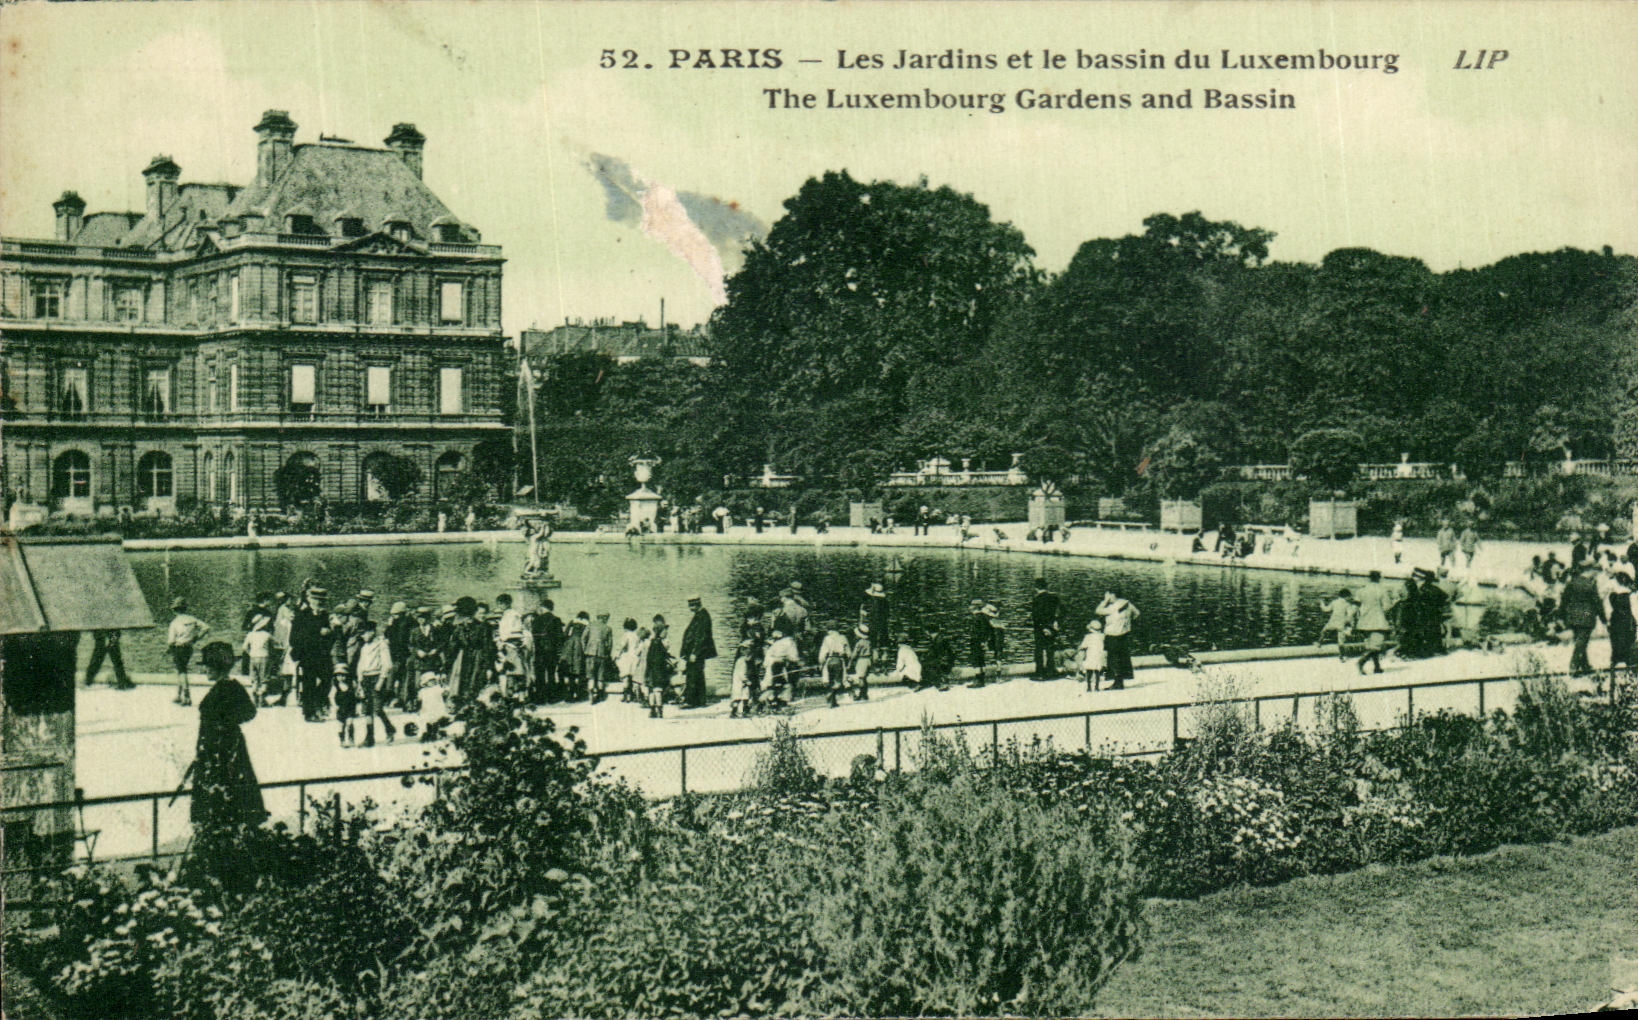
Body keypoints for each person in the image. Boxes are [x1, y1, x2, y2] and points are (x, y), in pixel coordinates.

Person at [189, 641, 266, 830]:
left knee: (223, 786)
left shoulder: (228, 688)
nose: (205, 670)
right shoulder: (230, 687)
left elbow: (248, 712)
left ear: (217, 667)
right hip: (219, 746)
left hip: (222, 748)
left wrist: (224, 724)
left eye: (207, 666)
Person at [289, 585, 333, 721]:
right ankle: (309, 713)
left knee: (328, 679)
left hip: (323, 655)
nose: (319, 602)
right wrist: (317, 633)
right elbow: (294, 638)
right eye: (315, 599)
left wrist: (329, 633)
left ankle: (318, 702)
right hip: (307, 655)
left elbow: (330, 636)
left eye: (321, 600)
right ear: (309, 599)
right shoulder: (302, 615)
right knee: (309, 683)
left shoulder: (325, 615)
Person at [355, 619, 396, 747]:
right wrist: (360, 681)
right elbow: (360, 665)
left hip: (377, 677)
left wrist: (381, 681)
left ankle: (389, 728)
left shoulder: (381, 645)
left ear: (372, 632)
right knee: (367, 710)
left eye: (364, 633)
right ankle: (369, 737)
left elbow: (387, 664)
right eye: (361, 634)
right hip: (366, 679)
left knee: (377, 708)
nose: (363, 636)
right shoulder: (364, 647)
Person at [1560, 563, 1607, 675]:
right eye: (1595, 573)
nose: (1596, 575)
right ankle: (1574, 664)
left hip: (1572, 616)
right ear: (1591, 571)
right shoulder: (1591, 584)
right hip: (1587, 616)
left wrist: (1562, 616)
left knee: (1580, 640)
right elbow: (1597, 602)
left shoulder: (1572, 582)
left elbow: (1564, 600)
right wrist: (1604, 618)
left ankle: (1585, 666)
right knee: (1582, 641)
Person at [166, 597, 211, 707]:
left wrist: (168, 648)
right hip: (189, 648)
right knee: (182, 669)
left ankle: (186, 696)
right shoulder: (192, 619)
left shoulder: (175, 622)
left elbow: (171, 640)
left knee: (181, 671)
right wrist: (196, 638)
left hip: (178, 647)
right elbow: (206, 627)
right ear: (185, 608)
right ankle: (178, 694)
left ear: (175, 610)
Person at [1353, 570, 1397, 675]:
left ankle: (1377, 667)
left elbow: (1356, 605)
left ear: (1369, 578)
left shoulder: (1361, 590)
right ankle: (1361, 662)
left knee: (1370, 645)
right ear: (1379, 578)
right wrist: (1394, 602)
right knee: (1376, 646)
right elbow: (1386, 607)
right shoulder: (1382, 590)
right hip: (1377, 620)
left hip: (1363, 621)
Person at [680, 595, 717, 708]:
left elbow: (701, 637)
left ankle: (691, 701)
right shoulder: (701, 615)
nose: (690, 608)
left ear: (695, 604)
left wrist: (695, 653)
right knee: (697, 674)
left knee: (693, 675)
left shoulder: (702, 616)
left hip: (697, 652)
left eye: (691, 605)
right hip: (695, 651)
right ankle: (699, 700)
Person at [1095, 592, 1137, 690]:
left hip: (1112, 635)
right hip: (1124, 635)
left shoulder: (1114, 607)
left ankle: (1117, 683)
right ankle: (1119, 682)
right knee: (1122, 658)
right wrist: (1127, 624)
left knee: (1113, 659)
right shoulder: (1127, 604)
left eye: (1108, 595)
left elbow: (1098, 611)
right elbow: (1137, 614)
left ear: (1113, 595)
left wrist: (1104, 601)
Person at [531, 598, 564, 702]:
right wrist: (559, 652)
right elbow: (560, 638)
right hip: (551, 651)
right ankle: (551, 697)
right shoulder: (556, 620)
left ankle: (540, 698)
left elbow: (533, 636)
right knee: (551, 674)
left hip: (539, 650)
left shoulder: (536, 619)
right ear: (552, 608)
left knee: (539, 674)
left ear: (542, 607)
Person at [1030, 581, 1062, 679]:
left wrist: (1043, 627)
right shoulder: (1054, 598)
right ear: (1046, 587)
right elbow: (1062, 611)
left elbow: (1037, 616)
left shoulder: (1037, 599)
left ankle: (1040, 673)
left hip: (1040, 628)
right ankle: (1051, 671)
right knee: (1050, 650)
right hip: (1052, 627)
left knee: (1039, 650)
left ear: (1036, 588)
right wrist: (1057, 623)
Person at [1607, 567, 1635, 674]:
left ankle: (1616, 665)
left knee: (1616, 643)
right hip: (1626, 621)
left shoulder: (1612, 595)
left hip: (1616, 620)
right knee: (1627, 643)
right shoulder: (1628, 595)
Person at [242, 613, 275, 704]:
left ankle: (254, 698)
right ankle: (262, 699)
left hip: (253, 657)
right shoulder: (267, 635)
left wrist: (250, 653)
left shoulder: (250, 634)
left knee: (254, 678)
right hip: (264, 657)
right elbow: (275, 645)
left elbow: (244, 647)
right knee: (264, 679)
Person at [645, 616, 674, 718]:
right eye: (665, 631)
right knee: (658, 690)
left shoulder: (652, 642)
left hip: (651, 669)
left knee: (651, 690)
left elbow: (648, 658)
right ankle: (659, 710)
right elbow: (665, 655)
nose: (666, 632)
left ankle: (652, 710)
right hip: (659, 670)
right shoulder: (661, 643)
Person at [764, 627, 801, 704]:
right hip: (780, 664)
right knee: (785, 682)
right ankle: (782, 698)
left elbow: (768, 656)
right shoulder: (789, 642)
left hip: (772, 664)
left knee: (773, 682)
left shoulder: (775, 644)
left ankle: (773, 698)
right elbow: (793, 657)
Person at [1317, 589, 1356, 661]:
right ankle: (1342, 656)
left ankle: (1319, 643)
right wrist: (1351, 624)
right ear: (1346, 597)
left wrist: (1322, 604)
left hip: (1332, 622)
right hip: (1341, 624)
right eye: (1349, 596)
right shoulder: (1347, 604)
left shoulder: (1334, 602)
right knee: (1341, 641)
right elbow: (1350, 615)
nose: (1350, 598)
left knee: (1324, 631)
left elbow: (1326, 609)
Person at [584, 611, 614, 703]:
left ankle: (591, 694)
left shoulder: (590, 625)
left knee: (590, 675)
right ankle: (599, 695)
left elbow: (583, 637)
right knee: (600, 676)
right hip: (602, 654)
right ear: (604, 618)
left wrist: (585, 649)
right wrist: (607, 653)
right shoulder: (608, 628)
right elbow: (610, 644)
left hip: (590, 653)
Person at [616, 618, 643, 702]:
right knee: (632, 677)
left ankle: (625, 695)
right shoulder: (636, 636)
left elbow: (622, 646)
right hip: (634, 657)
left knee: (625, 676)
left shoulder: (626, 635)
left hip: (626, 657)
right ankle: (632, 695)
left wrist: (617, 655)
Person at [863, 582, 891, 665]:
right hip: (884, 625)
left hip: (873, 625)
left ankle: (875, 666)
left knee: (874, 646)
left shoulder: (874, 603)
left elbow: (871, 614)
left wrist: (865, 613)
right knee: (884, 645)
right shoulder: (885, 602)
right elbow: (887, 614)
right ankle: (884, 665)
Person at [1077, 618, 1107, 692]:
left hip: (1090, 656)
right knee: (1097, 672)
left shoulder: (1088, 637)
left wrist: (1080, 648)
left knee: (1089, 671)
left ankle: (1089, 687)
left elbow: (1083, 645)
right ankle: (1097, 687)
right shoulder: (1102, 636)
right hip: (1099, 656)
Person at [966, 598, 990, 686]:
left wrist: (983, 641)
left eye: (971, 605)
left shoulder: (978, 617)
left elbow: (983, 630)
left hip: (977, 640)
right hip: (979, 640)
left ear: (975, 607)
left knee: (976, 659)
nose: (969, 607)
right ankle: (981, 679)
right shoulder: (982, 616)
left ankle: (978, 680)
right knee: (980, 659)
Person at [728, 640, 754, 717]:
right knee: (738, 697)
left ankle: (745, 710)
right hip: (740, 683)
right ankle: (734, 712)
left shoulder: (741, 660)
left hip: (741, 683)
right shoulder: (742, 662)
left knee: (745, 696)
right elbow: (742, 674)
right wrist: (747, 681)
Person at [849, 623, 873, 701]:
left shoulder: (859, 643)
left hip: (862, 660)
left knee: (861, 678)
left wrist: (851, 660)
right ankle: (865, 694)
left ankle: (862, 694)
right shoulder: (869, 642)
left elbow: (854, 654)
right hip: (868, 659)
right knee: (865, 678)